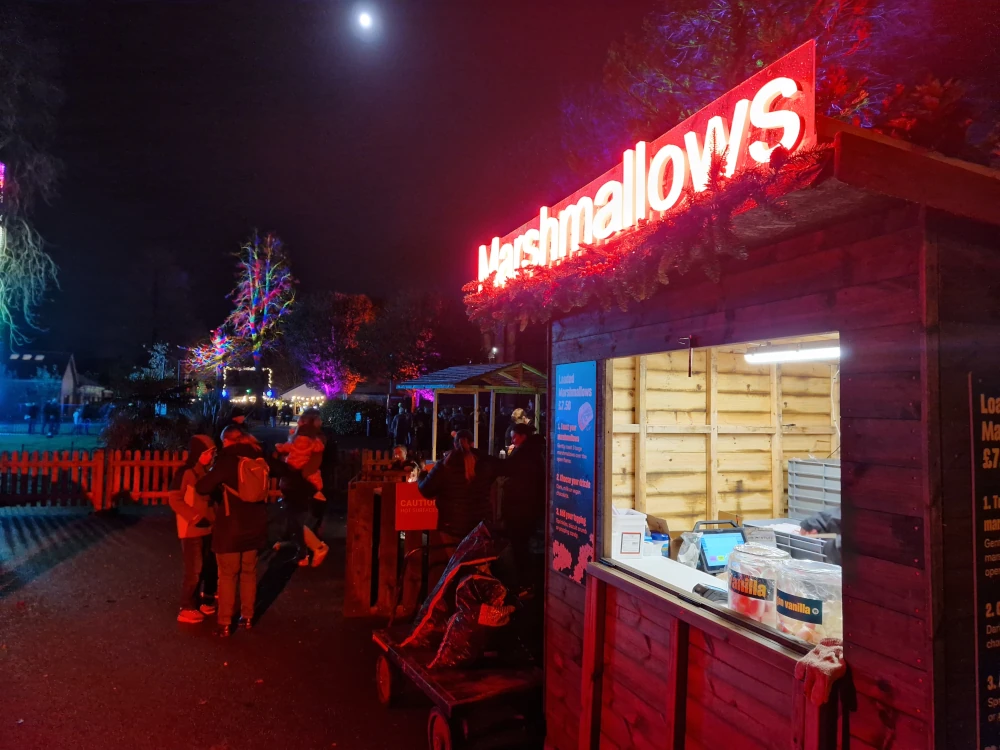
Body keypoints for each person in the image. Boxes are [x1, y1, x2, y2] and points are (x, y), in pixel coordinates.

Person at [195, 424, 272, 637]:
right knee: (249, 573)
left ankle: (225, 623)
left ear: (228, 441)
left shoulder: (227, 461)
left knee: (228, 575)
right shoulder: (259, 459)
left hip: (230, 527)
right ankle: (247, 617)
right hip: (255, 526)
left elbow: (202, 487)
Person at [418, 430, 498, 572]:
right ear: (472, 444)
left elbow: (426, 489)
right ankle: (482, 591)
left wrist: (422, 475)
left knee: (456, 568)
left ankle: (460, 591)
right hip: (479, 526)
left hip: (451, 526)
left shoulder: (445, 464)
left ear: (455, 445)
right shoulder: (484, 463)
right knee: (480, 567)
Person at [168, 435, 218, 624]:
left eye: (212, 453)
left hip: (208, 527)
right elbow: (174, 498)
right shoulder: (186, 472)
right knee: (194, 569)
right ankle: (186, 607)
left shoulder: (206, 472)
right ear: (198, 453)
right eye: (207, 453)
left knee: (205, 566)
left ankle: (201, 601)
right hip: (191, 529)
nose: (211, 456)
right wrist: (194, 517)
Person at [274, 414, 330, 567]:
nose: (298, 423)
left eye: (301, 421)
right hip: (301, 484)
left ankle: (316, 548)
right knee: (295, 519)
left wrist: (293, 471)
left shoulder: (301, 441)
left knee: (297, 520)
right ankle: (301, 552)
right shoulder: (314, 442)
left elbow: (284, 450)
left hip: (301, 485)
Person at [497, 423, 547, 590]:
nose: (512, 439)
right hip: (529, 506)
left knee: (521, 545)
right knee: (523, 545)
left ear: (523, 436)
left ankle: (525, 583)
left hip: (522, 508)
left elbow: (507, 468)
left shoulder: (525, 454)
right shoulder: (532, 452)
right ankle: (527, 582)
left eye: (515, 436)